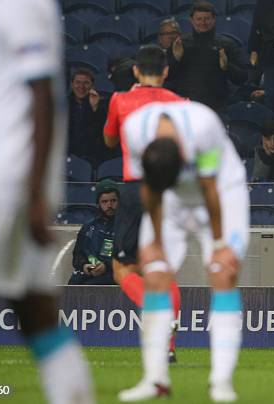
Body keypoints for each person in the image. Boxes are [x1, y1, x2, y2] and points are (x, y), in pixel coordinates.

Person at [0, 0, 94, 402]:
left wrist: (32, 194)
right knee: (36, 314)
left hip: (2, 179)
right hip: (4, 176)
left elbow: (42, 93)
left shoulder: (19, 4)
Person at [117, 100, 248, 402]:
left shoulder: (204, 127)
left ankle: (221, 383)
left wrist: (218, 246)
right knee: (154, 274)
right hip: (170, 200)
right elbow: (150, 188)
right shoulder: (134, 129)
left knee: (223, 273)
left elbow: (209, 187)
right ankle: (155, 380)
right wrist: (156, 243)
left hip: (222, 191)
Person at [103, 44, 183, 361]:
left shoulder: (120, 101)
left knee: (123, 269)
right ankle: (169, 346)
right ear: (165, 72)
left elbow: (109, 139)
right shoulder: (179, 104)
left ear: (136, 71)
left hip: (137, 189)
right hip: (170, 191)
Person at [168, 1, 247, 111]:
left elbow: (242, 78)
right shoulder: (180, 44)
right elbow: (167, 76)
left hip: (217, 105)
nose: (203, 23)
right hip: (186, 105)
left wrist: (227, 67)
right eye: (199, 19)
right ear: (191, 20)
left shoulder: (227, 44)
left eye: (207, 18)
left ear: (214, 19)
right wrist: (176, 59)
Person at [68, 180, 119, 286]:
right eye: (104, 202)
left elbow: (131, 258)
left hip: (115, 275)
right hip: (90, 273)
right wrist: (84, 266)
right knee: (74, 282)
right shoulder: (88, 227)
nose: (109, 205)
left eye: (113, 201)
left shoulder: (126, 227)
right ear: (98, 203)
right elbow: (77, 255)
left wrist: (107, 266)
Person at [67, 68, 114, 165]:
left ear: (92, 85)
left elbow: (103, 133)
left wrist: (95, 108)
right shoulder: (64, 104)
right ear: (72, 84)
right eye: (78, 82)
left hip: (94, 156)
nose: (81, 87)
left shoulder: (103, 104)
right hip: (69, 154)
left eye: (86, 83)